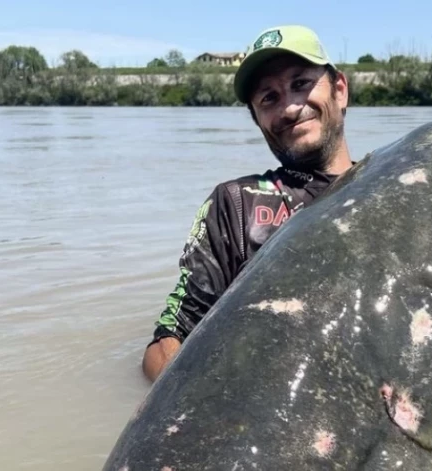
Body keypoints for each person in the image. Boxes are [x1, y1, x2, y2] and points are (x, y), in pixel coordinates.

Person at [141, 25, 353, 382]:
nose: (288, 107)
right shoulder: (236, 205)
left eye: (301, 83)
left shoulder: (395, 186)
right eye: (268, 98)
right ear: (258, 120)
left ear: (340, 90)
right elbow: (166, 342)